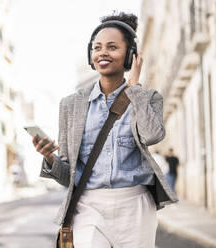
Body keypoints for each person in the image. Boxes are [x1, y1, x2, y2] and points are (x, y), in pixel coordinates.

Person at [31, 12, 177, 248]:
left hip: (136, 207)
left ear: (131, 55)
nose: (103, 53)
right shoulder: (71, 105)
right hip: (89, 207)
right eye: (97, 47)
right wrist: (49, 157)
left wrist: (134, 86)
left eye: (112, 47)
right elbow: (67, 177)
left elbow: (152, 135)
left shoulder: (148, 99)